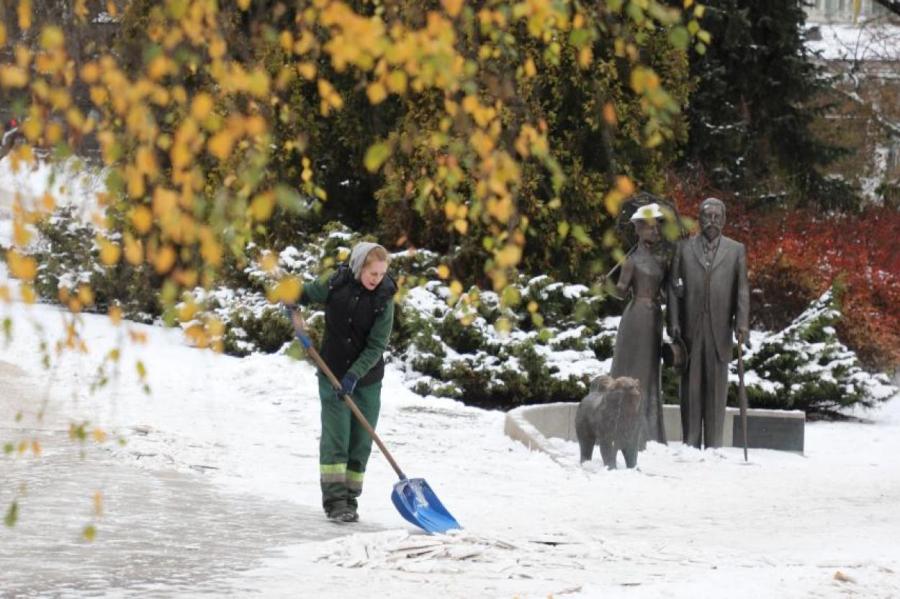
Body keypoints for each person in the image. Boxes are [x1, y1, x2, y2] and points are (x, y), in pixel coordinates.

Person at [293, 241, 396, 522]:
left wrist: (355, 374)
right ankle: (336, 502)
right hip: (332, 371)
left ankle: (351, 500)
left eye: (381, 274)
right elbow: (306, 292)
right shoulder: (336, 283)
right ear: (359, 266)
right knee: (337, 438)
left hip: (367, 379)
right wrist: (291, 297)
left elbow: (376, 346)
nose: (378, 279)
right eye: (372, 273)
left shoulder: (385, 299)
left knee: (361, 442)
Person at [667, 197, 749, 448]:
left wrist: (742, 323)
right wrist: (673, 321)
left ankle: (714, 444)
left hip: (720, 330)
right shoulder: (683, 248)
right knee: (690, 387)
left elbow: (742, 290)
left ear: (723, 220)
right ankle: (690, 442)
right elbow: (673, 288)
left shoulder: (736, 250)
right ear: (699, 219)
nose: (712, 221)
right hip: (690, 330)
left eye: (717, 217)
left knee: (716, 387)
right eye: (707, 216)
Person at [610, 202, 669, 449]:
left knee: (649, 372)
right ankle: (621, 426)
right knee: (631, 367)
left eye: (658, 228)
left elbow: (666, 293)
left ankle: (649, 430)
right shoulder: (631, 260)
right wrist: (607, 285)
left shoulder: (662, 259)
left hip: (654, 316)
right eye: (651, 228)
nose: (656, 233)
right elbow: (621, 292)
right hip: (635, 317)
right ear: (639, 229)